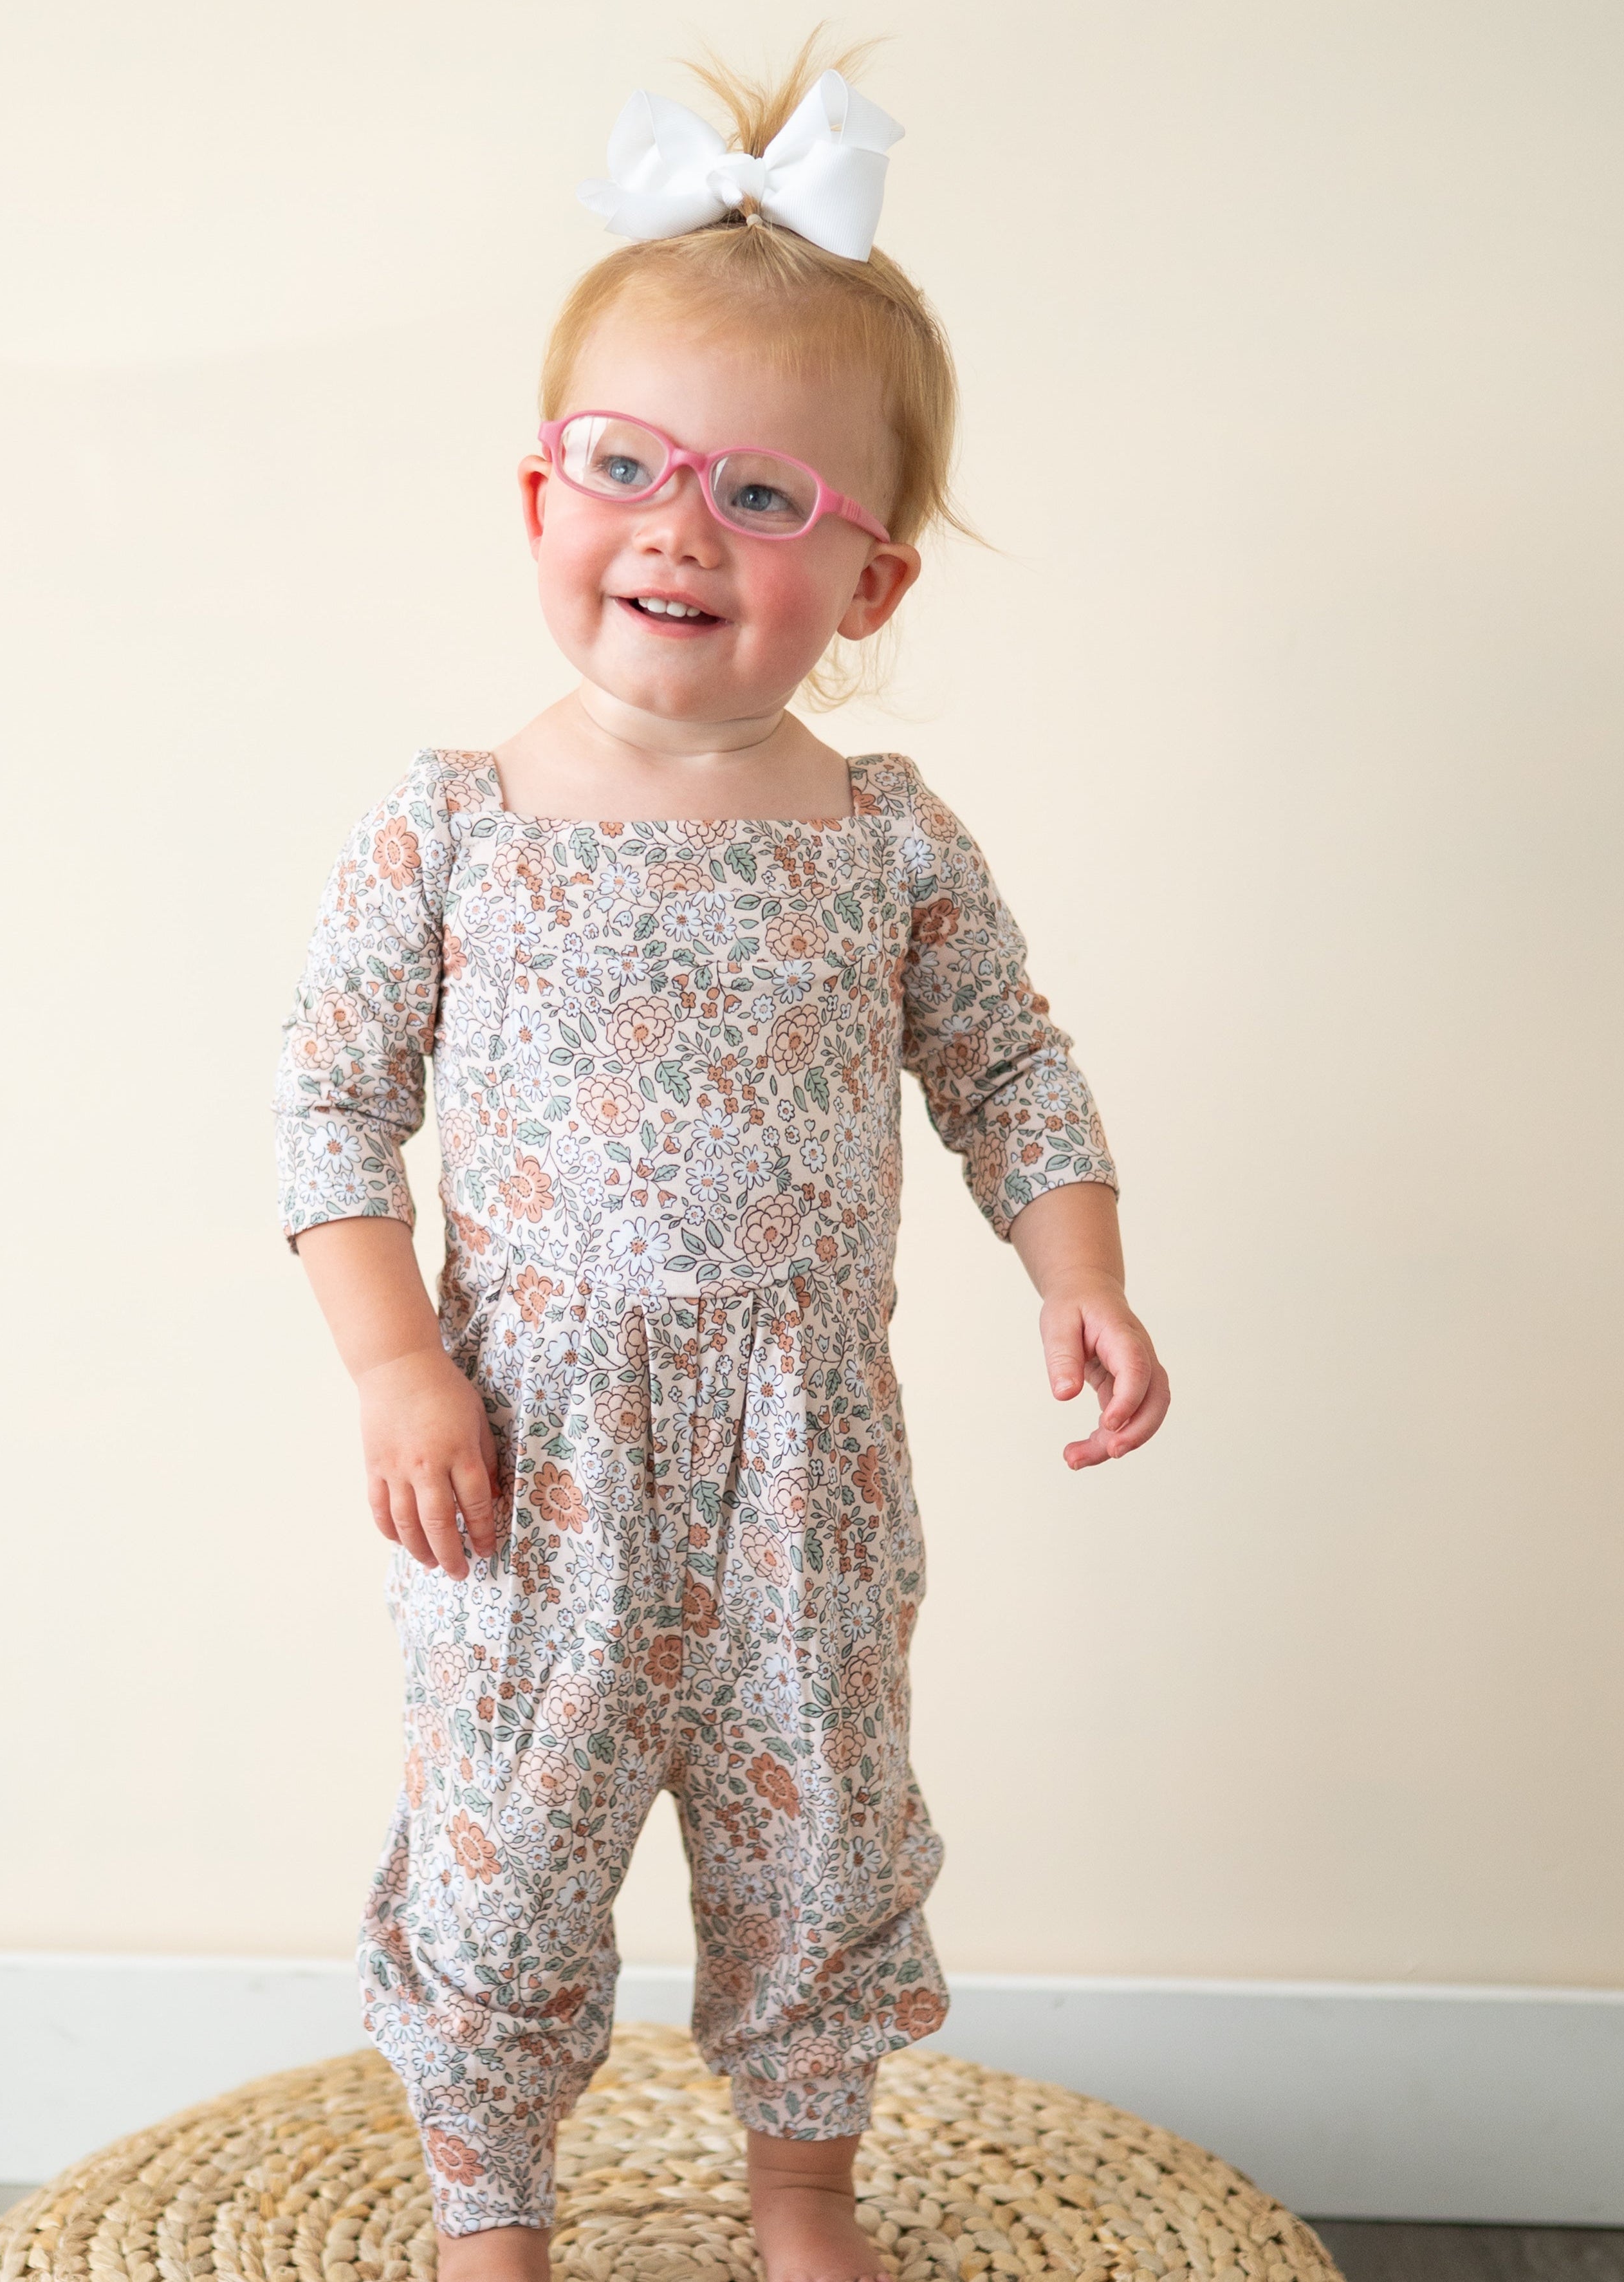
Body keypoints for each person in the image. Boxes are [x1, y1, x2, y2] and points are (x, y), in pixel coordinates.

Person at [274, 42, 1169, 2282]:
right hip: (527, 1455)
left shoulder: (879, 843)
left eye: (765, 496)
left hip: (803, 1459)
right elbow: (325, 1107)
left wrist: (1079, 1264)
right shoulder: (451, 824)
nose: (681, 528)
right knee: (501, 1849)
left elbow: (1008, 1066)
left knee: (823, 1842)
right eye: (629, 467)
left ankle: (799, 2192)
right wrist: (397, 1365)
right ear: (538, 498)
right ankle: (491, 2206)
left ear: (867, 588)